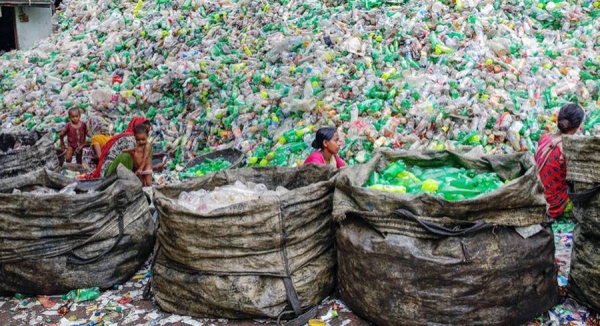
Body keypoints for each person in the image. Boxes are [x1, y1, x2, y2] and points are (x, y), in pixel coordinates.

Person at [535, 103, 585, 219]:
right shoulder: (568, 151)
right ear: (577, 126)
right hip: (552, 206)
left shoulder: (544, 138)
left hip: (535, 194)